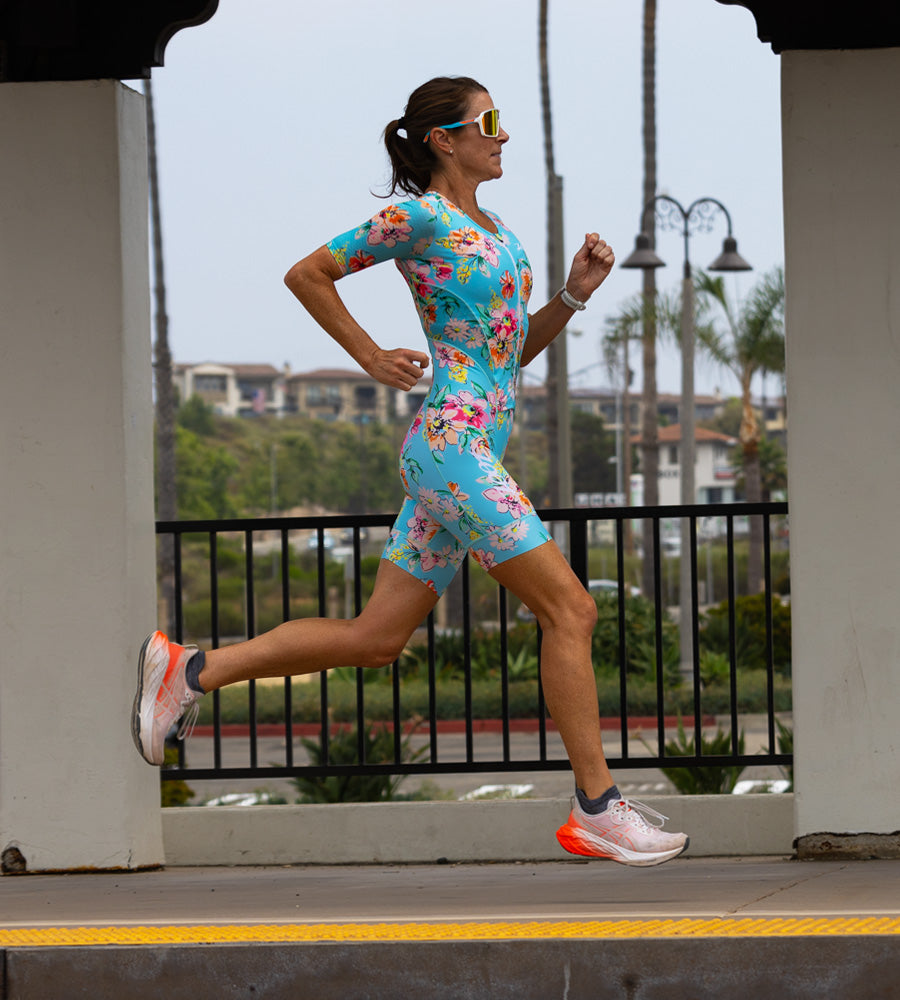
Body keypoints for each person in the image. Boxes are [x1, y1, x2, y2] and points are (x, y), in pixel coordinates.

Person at [132, 76, 688, 867]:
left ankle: (188, 670)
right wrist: (367, 355)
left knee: (374, 639)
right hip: (451, 449)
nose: (502, 136)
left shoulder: (492, 227)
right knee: (572, 611)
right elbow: (307, 273)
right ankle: (597, 806)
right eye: (488, 122)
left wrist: (569, 295)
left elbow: (506, 354)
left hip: (468, 453)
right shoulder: (418, 216)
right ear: (444, 140)